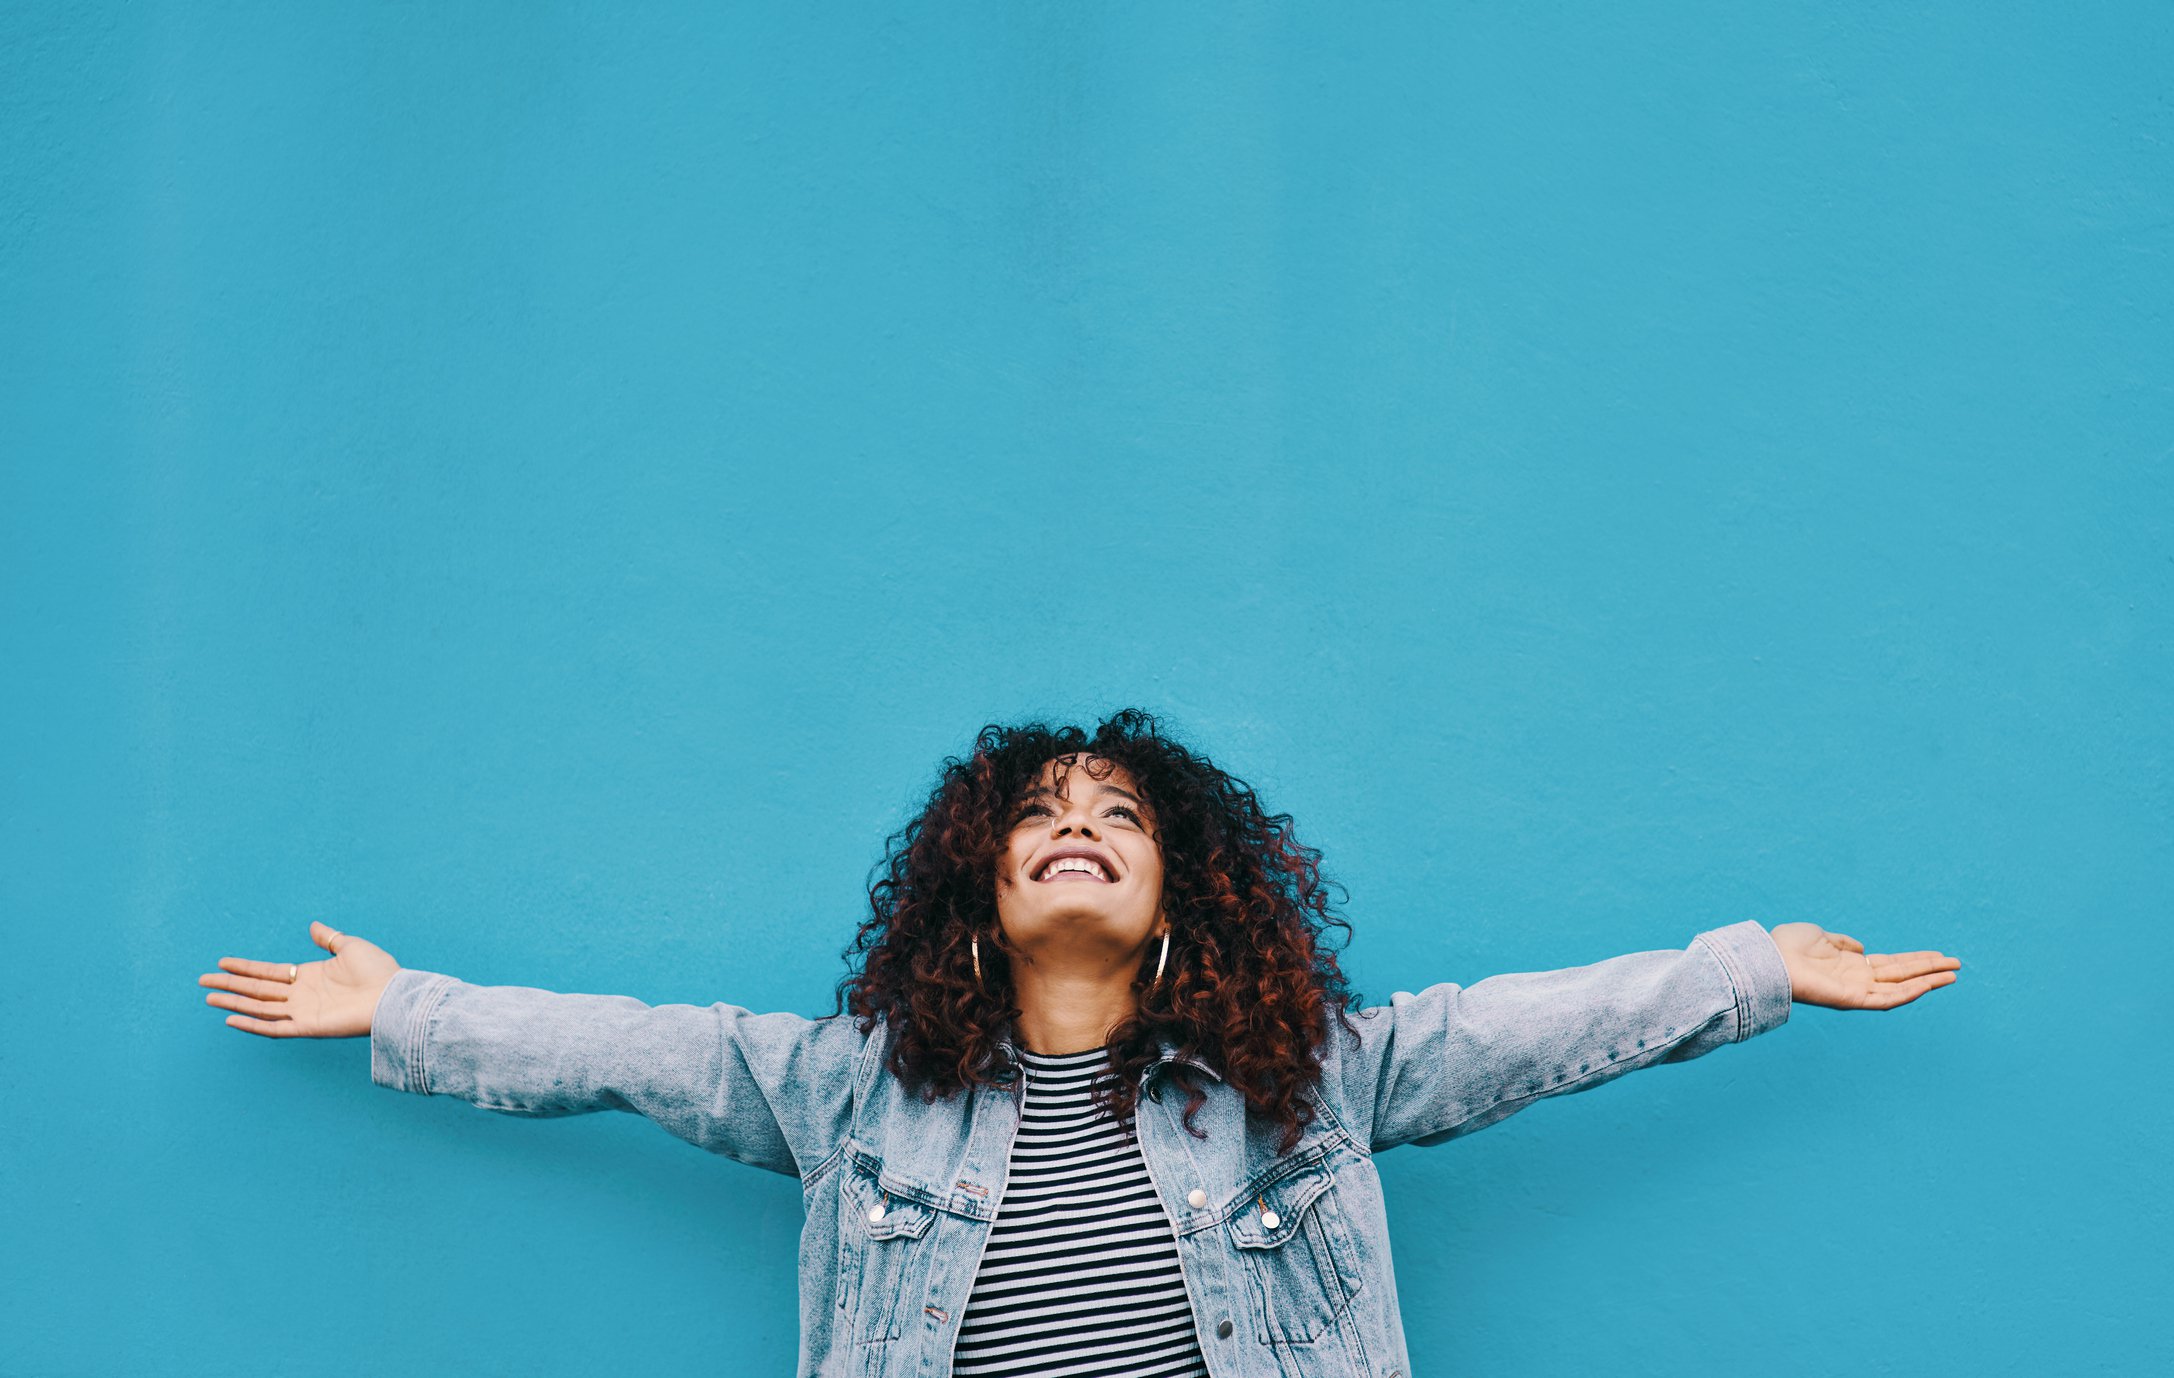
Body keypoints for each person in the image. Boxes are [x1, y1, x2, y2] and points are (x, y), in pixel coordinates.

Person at [197, 708, 1960, 1378]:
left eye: (1119, 811)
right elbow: (639, 1045)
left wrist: (1751, 966)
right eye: (1038, 810)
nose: (1078, 824)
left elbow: (1516, 1028)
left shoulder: (1308, 1075)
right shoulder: (849, 1087)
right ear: (981, 881)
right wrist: (406, 1004)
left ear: (1177, 883)